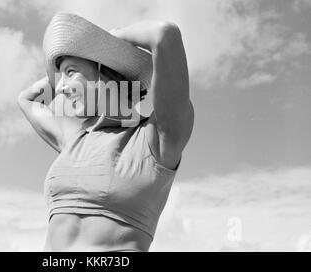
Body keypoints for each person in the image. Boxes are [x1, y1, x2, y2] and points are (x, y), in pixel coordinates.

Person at [18, 13, 194, 252]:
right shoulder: (76, 137)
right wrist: (62, 75)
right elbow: (27, 99)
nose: (59, 88)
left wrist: (112, 41)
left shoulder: (156, 137)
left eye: (70, 72)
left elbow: (165, 34)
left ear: (105, 70)